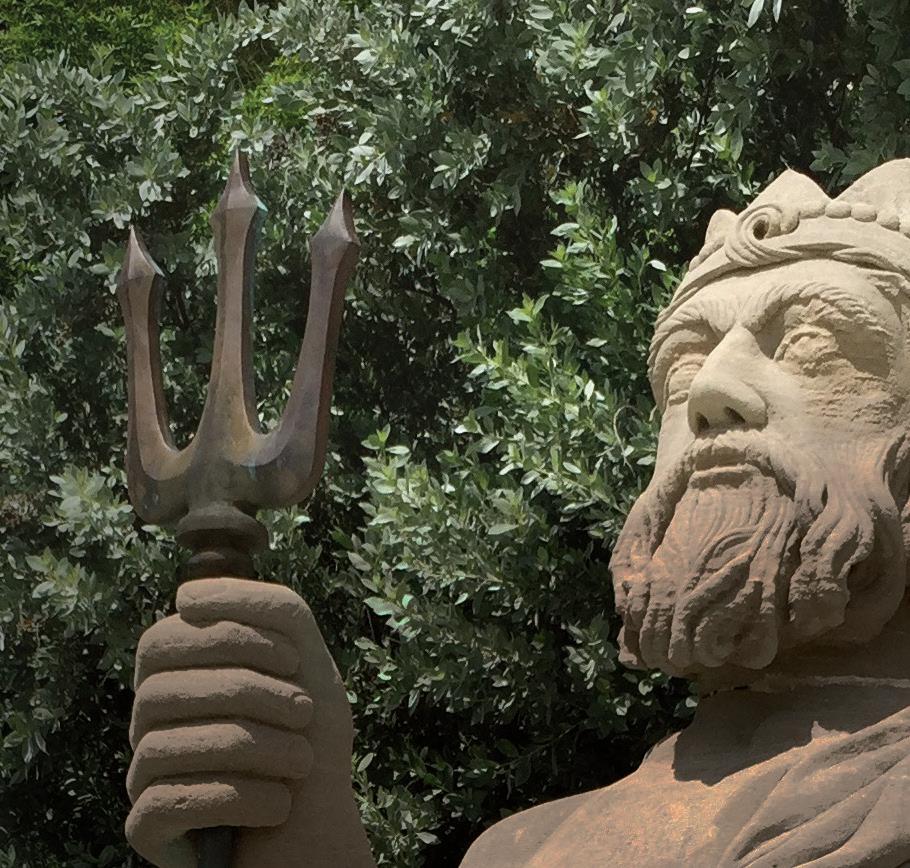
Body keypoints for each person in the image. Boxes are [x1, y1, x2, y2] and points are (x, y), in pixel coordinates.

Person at [126, 161, 910, 867]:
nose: (710, 389)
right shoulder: (523, 851)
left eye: (813, 344)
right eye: (683, 365)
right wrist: (300, 815)